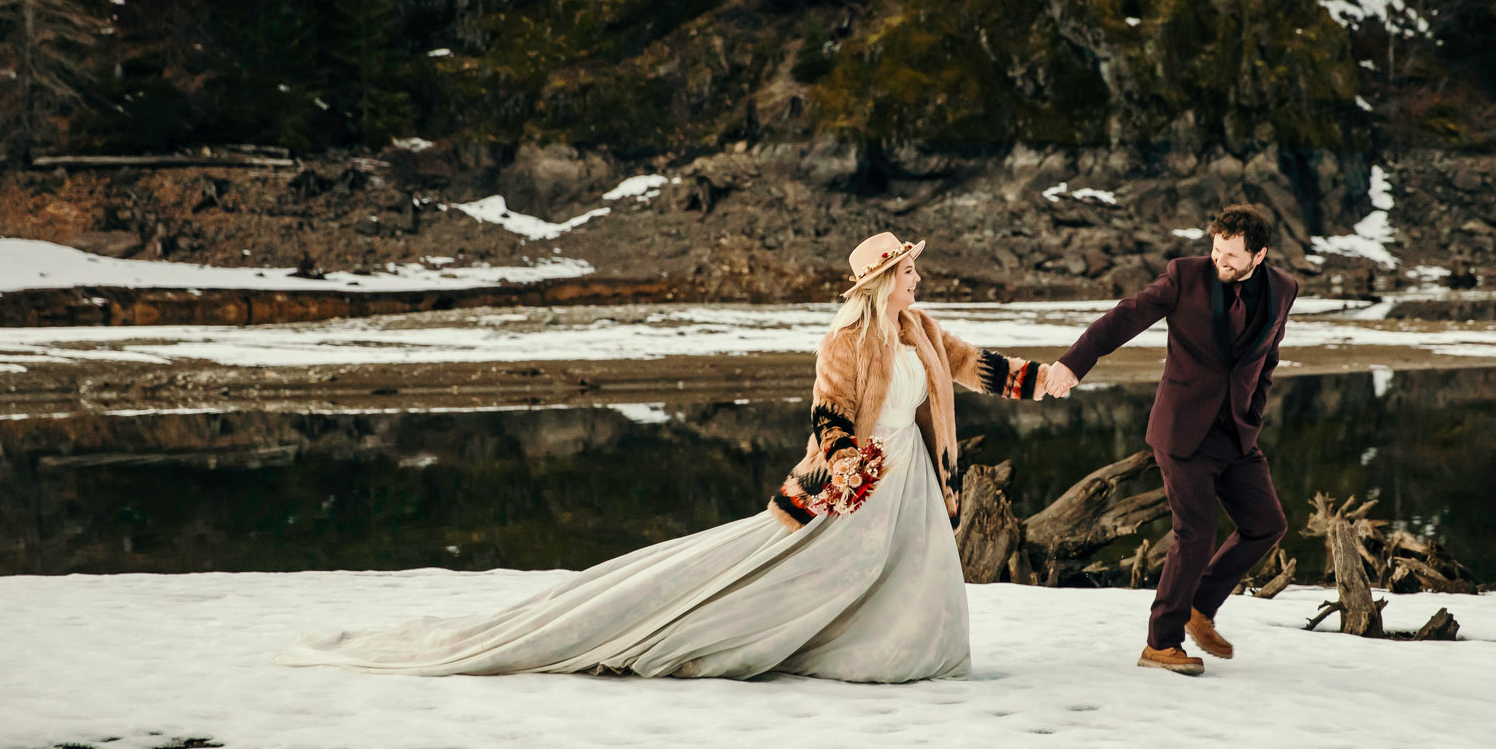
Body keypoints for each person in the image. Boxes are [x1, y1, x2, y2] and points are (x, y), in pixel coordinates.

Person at [278, 232, 1049, 682]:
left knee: (923, 580)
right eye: (909, 270)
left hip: (913, 477)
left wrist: (1042, 379)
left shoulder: (920, 330)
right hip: (853, 484)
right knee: (813, 573)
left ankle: (912, 657)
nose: (920, 277)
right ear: (883, 281)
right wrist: (846, 463)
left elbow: (974, 365)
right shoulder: (844, 342)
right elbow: (827, 414)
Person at [1043, 204, 1295, 676]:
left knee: (1266, 523)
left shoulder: (1283, 289)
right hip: (1182, 429)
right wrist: (1072, 364)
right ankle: (1161, 643)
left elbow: (1270, 356)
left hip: (1236, 431)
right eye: (1217, 250)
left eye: (1232, 256)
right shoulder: (1184, 277)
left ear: (1258, 255)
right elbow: (1123, 319)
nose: (1221, 261)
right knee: (1195, 533)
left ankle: (1200, 606)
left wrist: (1253, 412)